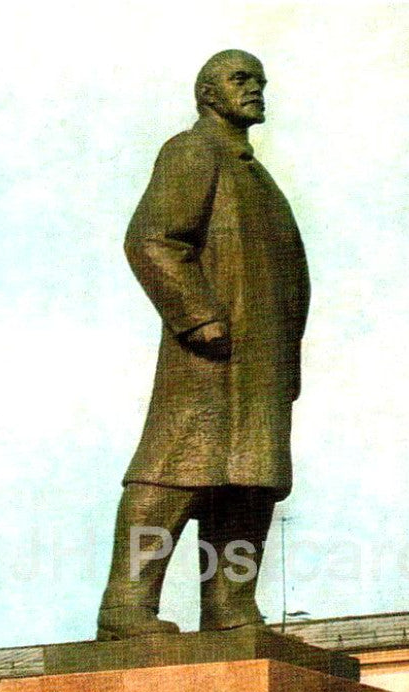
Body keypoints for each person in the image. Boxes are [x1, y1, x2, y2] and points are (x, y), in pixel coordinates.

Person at [97, 49, 310, 638]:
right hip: (210, 354)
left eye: (261, 80)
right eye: (240, 79)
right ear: (208, 93)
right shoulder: (192, 151)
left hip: (260, 364)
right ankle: (126, 607)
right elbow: (152, 238)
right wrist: (197, 316)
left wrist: (286, 361)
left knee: (249, 482)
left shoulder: (253, 172)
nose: (256, 89)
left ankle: (230, 606)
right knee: (171, 473)